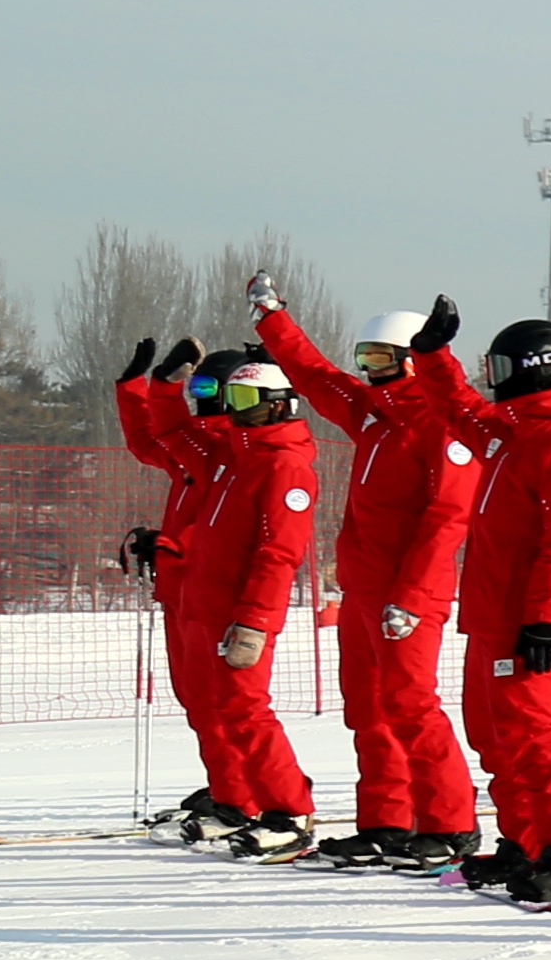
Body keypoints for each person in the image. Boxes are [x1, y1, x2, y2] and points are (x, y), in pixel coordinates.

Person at [248, 283, 488, 868]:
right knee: (369, 709)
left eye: (380, 358)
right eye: (364, 358)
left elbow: (448, 517)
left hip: (410, 591)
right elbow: (317, 379)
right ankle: (387, 820)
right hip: (363, 588)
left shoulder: (439, 424)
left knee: (411, 705)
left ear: (411, 360)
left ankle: (450, 824)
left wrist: (410, 594)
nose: (368, 371)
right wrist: (274, 323)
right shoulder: (377, 418)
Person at [417, 312, 551, 902]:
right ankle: (525, 840)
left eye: (500, 369)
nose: (492, 381)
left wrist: (548, 618)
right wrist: (433, 356)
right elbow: (458, 411)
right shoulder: (515, 430)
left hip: (526, 619)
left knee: (534, 737)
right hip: (491, 613)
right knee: (495, 736)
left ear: (534, 372)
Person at [116, 334, 317, 853]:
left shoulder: (282, 467)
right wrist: (160, 386)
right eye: (232, 402)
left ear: (279, 405)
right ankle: (235, 800)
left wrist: (253, 620)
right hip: (203, 602)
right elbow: (169, 435)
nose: (235, 414)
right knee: (218, 710)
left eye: (248, 404)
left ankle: (289, 810)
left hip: (237, 612)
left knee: (246, 711)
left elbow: (279, 555)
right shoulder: (231, 459)